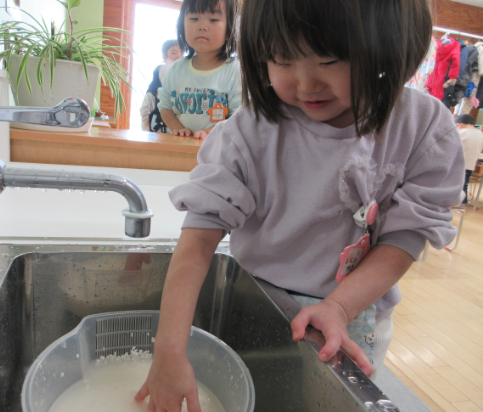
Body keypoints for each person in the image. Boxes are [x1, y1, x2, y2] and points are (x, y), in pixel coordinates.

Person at [135, 0, 465, 411]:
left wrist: (340, 306)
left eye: (330, 59)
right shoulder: (248, 133)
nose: (307, 84)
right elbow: (198, 242)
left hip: (355, 313)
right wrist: (169, 350)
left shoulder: (421, 128)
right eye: (282, 58)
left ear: (390, 44)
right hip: (259, 305)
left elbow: (405, 237)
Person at [156, 0, 241, 140]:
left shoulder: (235, 71)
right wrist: (178, 129)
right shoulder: (175, 70)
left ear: (229, 30)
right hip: (182, 148)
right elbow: (165, 106)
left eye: (213, 19)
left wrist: (209, 133)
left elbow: (239, 116)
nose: (202, 26)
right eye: (194, 18)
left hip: (220, 148)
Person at [139, 40, 183, 133]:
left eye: (181, 53)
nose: (179, 56)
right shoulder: (155, 87)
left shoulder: (187, 80)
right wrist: (155, 132)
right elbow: (145, 112)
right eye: (174, 53)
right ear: (164, 57)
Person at [455, 114, 483, 203]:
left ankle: (456, 203)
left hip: (457, 165)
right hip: (470, 164)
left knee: (454, 185)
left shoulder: (461, 133)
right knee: (464, 184)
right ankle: (463, 203)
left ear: (459, 124)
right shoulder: (480, 134)